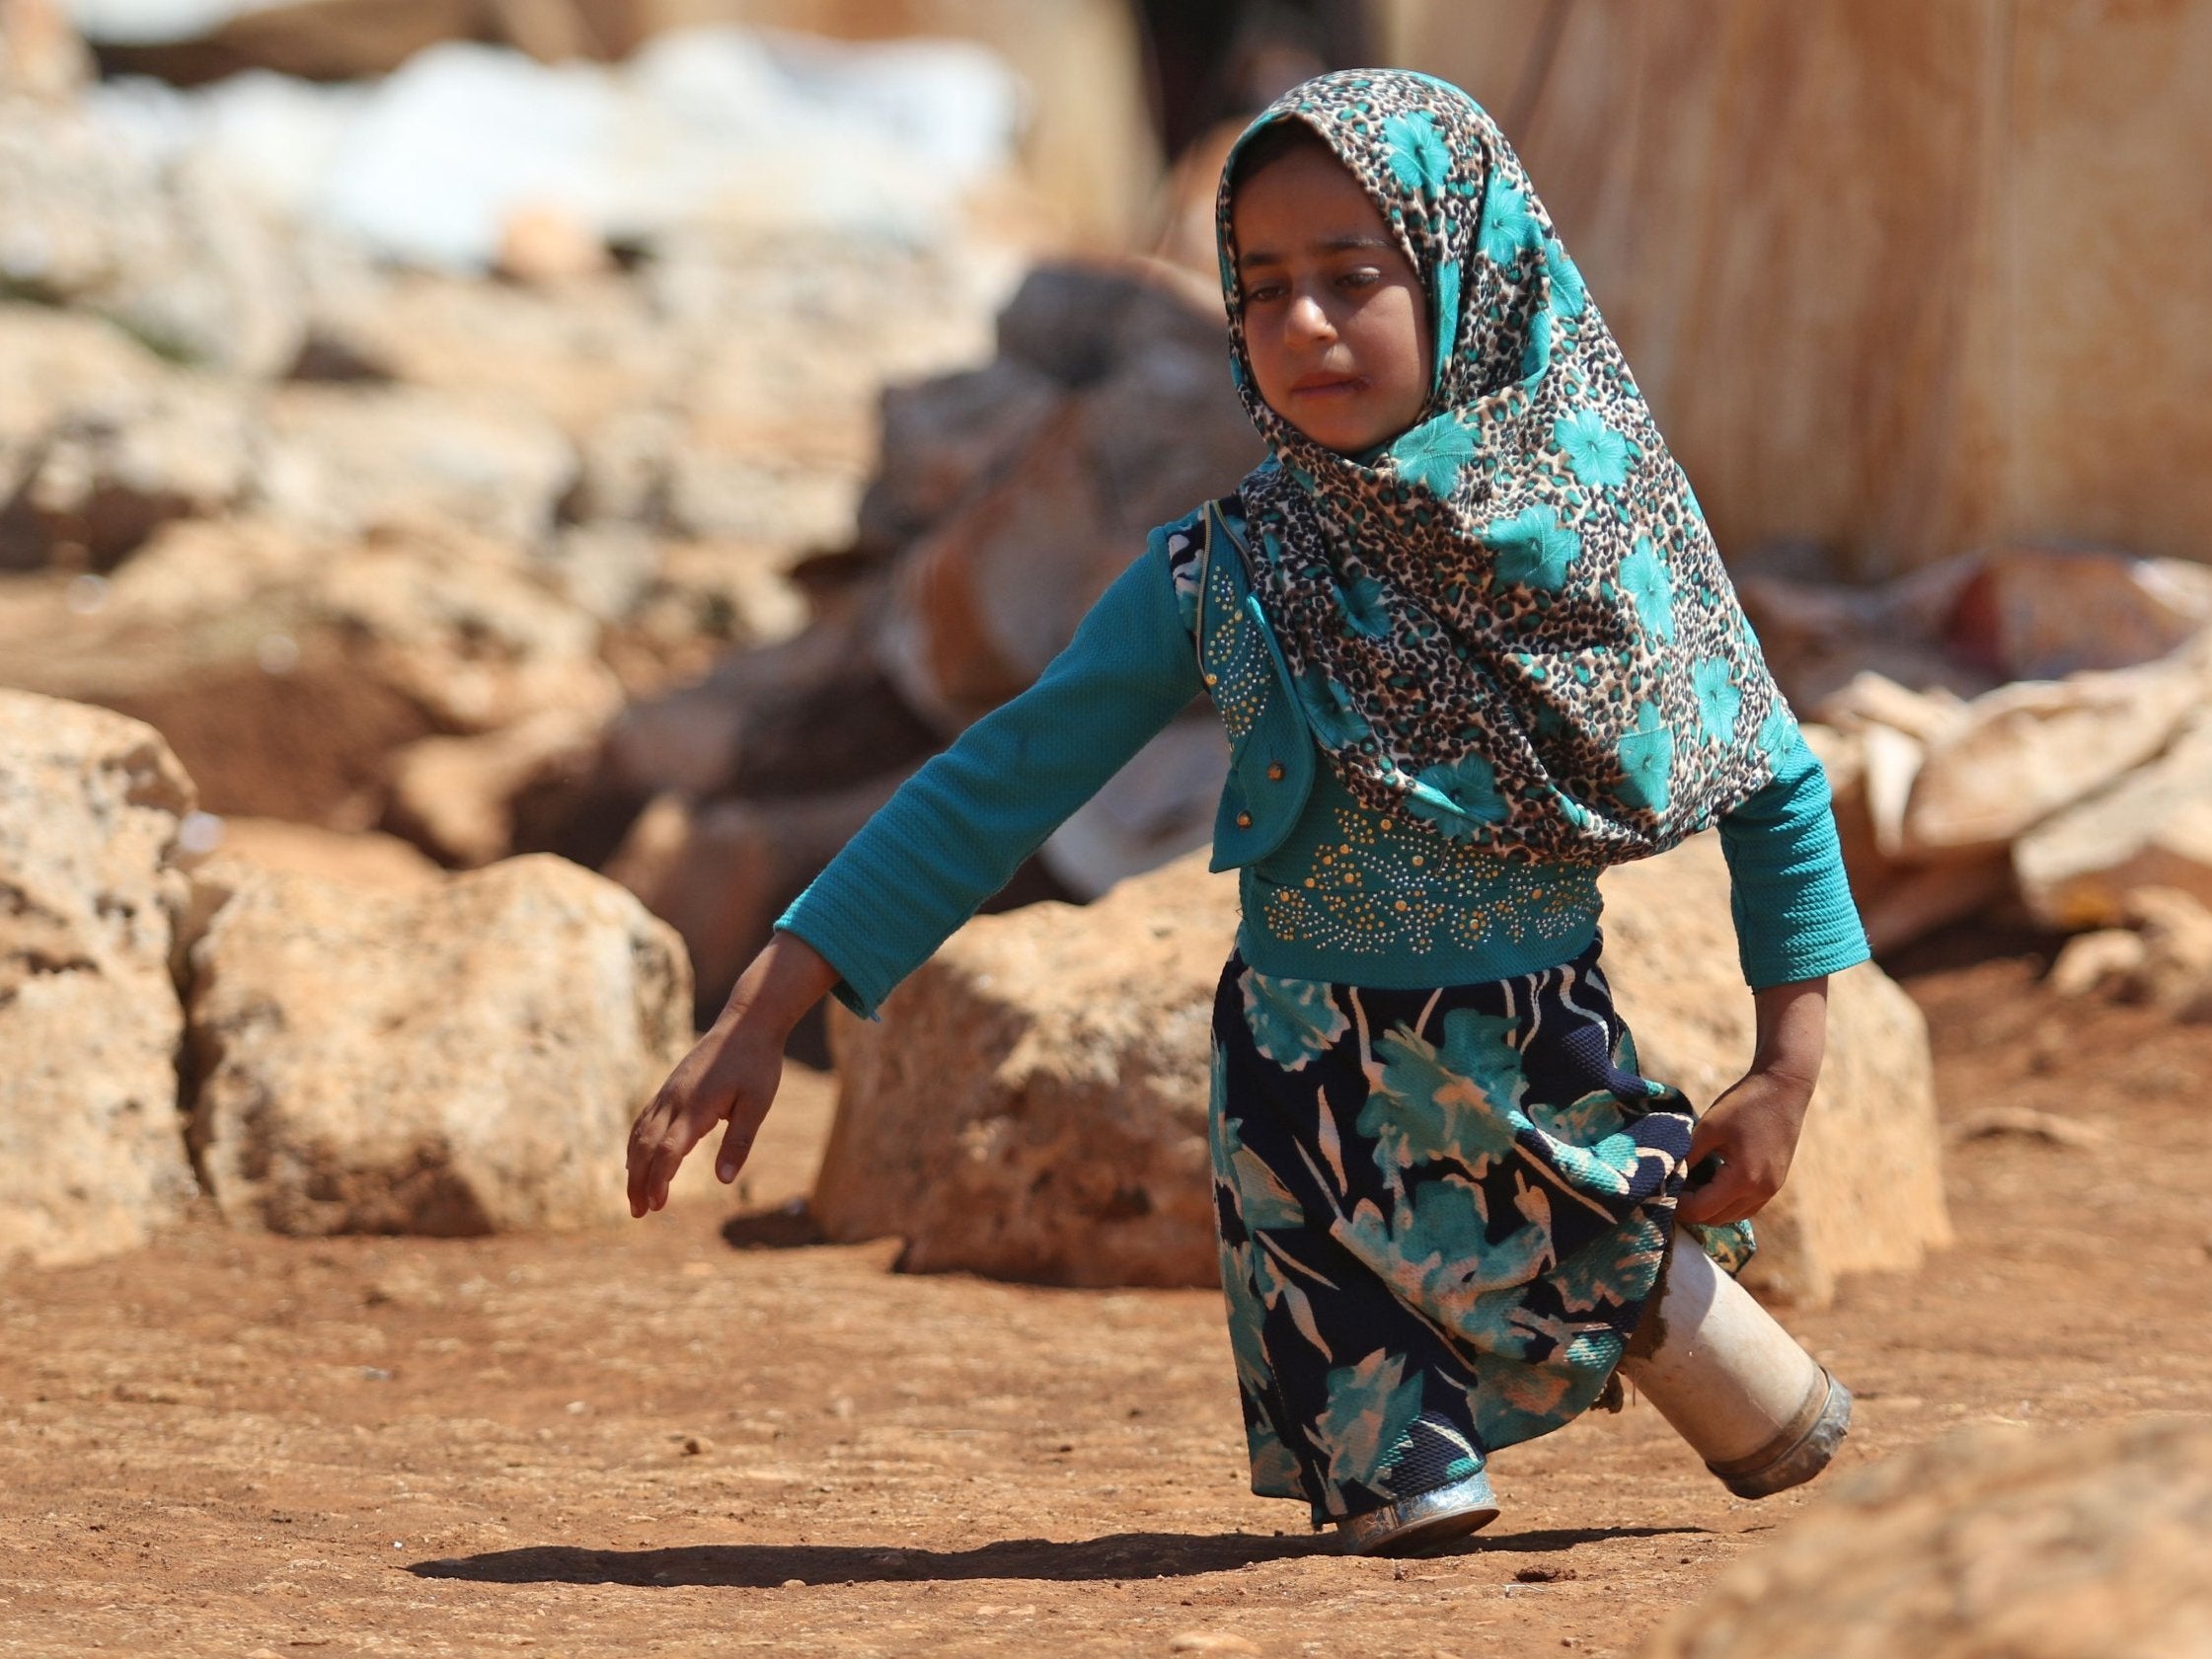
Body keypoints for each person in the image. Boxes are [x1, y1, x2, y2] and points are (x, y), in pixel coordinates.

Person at [626, 68, 1869, 1558]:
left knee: (1674, 1324)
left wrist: (1787, 1063)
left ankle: (1718, 1368)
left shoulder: (1605, 531)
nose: (1302, 326)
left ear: (1474, 274)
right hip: (1297, 1085)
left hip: (1532, 1046)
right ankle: (1409, 1470)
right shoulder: (1223, 572)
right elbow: (1000, 775)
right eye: (1260, 288)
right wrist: (770, 1001)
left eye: (1354, 277)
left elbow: (1770, 777)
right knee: (1394, 1490)